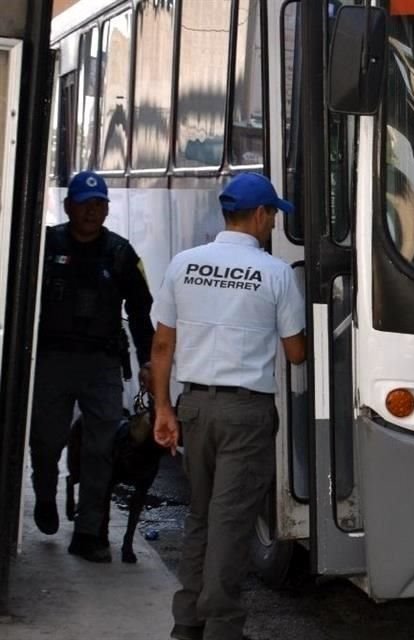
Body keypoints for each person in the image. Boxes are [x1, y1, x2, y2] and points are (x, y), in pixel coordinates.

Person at [152, 172, 307, 640]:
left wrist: (163, 409)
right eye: (273, 216)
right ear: (260, 215)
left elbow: (162, 345)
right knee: (231, 521)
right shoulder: (276, 272)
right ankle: (222, 627)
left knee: (201, 513)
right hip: (246, 413)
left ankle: (188, 622)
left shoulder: (184, 263)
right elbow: (296, 352)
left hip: (194, 407)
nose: (274, 225)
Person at [30, 170, 154, 562]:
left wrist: (148, 358)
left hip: (101, 365)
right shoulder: (45, 247)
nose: (92, 211)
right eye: (85, 203)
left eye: (99, 204)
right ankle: (46, 492)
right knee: (47, 440)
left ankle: (88, 533)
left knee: (101, 449)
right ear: (69, 207)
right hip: (52, 360)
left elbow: (139, 311)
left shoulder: (120, 253)